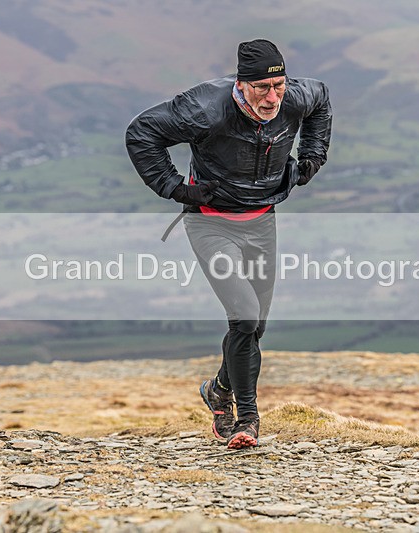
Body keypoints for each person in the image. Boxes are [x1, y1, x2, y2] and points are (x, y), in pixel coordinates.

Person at [126, 39, 332, 449]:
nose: (273, 98)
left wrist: (313, 156)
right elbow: (141, 133)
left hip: (261, 221)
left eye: (280, 87)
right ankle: (246, 418)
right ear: (242, 84)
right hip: (211, 224)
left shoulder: (295, 96)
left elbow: (321, 99)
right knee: (244, 313)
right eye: (262, 89)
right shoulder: (204, 109)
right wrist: (176, 188)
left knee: (254, 327)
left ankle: (219, 390)